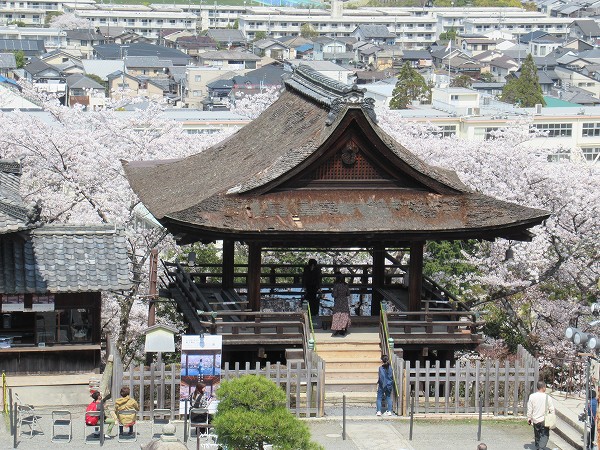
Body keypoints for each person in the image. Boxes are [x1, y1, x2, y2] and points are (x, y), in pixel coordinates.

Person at [527, 381, 555, 450]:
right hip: (544, 419)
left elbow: (529, 408)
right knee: (545, 435)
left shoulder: (532, 396)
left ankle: (537, 446)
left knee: (537, 435)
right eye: (545, 387)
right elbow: (552, 409)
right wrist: (552, 417)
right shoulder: (547, 397)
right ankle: (541, 447)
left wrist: (529, 418)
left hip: (535, 419)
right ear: (543, 387)